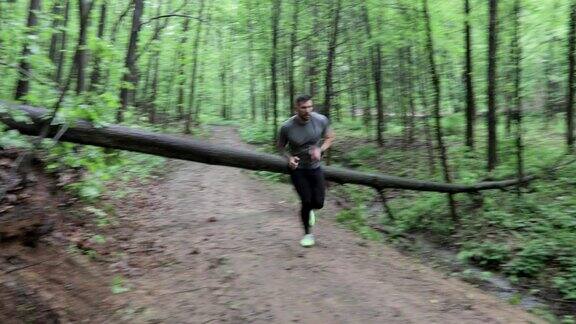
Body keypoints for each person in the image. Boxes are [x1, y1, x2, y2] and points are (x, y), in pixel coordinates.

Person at [277, 95, 335, 247]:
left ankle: (310, 210)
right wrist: (289, 158)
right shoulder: (287, 127)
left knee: (319, 203)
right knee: (306, 201)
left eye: (310, 107)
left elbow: (330, 137)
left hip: (315, 167)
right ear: (296, 108)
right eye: (303, 107)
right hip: (298, 169)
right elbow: (280, 147)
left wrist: (320, 150)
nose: (308, 110)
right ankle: (308, 234)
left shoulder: (321, 120)